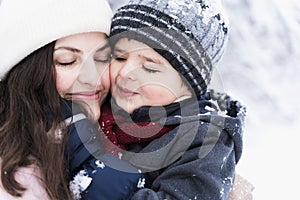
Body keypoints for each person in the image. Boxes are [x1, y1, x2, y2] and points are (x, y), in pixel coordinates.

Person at [98, 0, 247, 199]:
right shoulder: (98, 105)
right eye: (119, 58)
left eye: (150, 67)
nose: (125, 73)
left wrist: (98, 179)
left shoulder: (204, 142)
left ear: (188, 85)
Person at [0, 0, 143, 199]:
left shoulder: (131, 131)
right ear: (27, 73)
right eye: (67, 61)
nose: (92, 77)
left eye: (102, 59)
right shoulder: (16, 179)